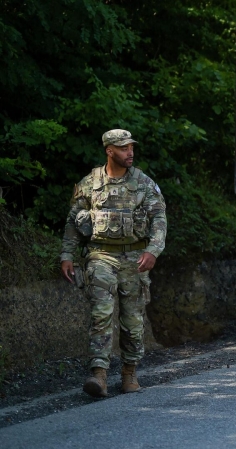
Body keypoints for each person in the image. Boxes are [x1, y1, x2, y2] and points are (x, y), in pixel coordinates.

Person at [59, 129, 167, 398]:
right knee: (101, 315)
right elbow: (74, 221)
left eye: (131, 147)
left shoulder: (144, 183)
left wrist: (153, 250)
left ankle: (129, 372)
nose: (129, 152)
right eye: (122, 148)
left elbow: (159, 220)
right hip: (101, 255)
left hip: (135, 258)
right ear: (109, 151)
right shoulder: (90, 183)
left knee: (132, 319)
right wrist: (67, 255)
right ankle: (99, 375)